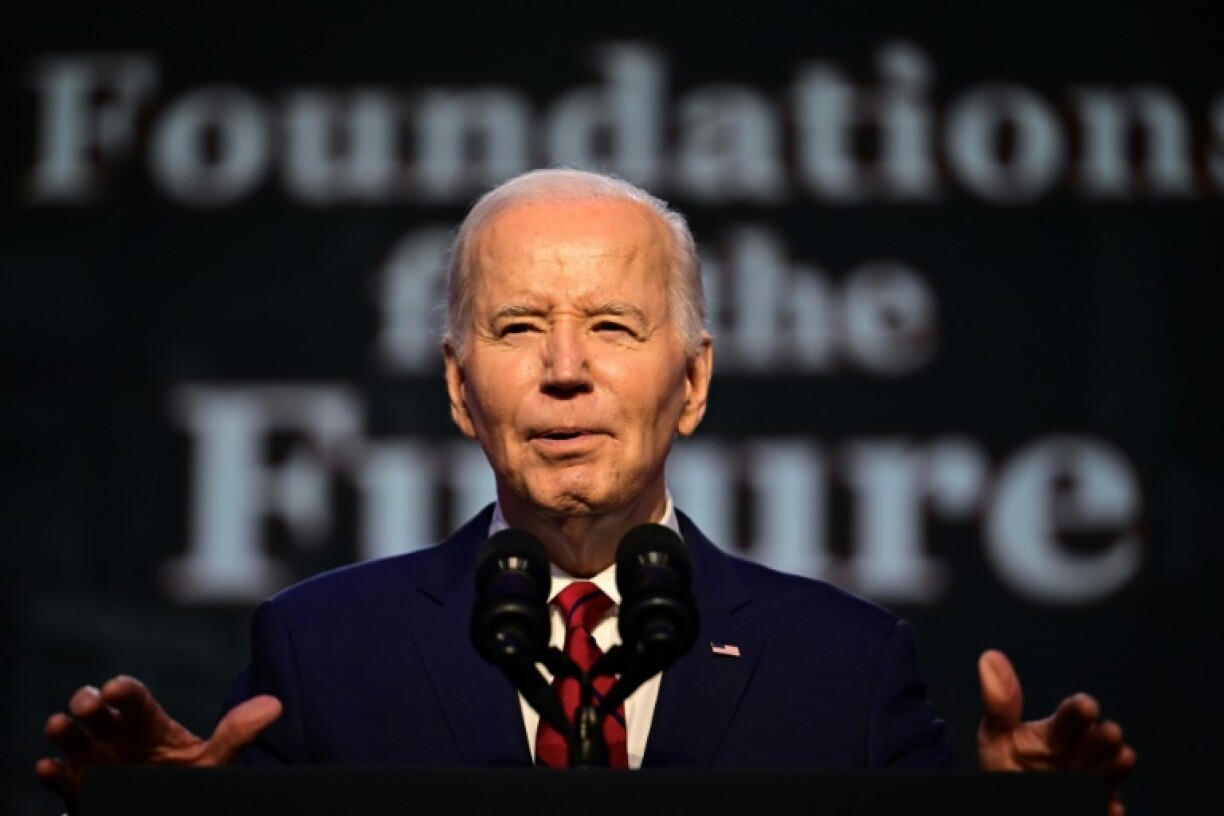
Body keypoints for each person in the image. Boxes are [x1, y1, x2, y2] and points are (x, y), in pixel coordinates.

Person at [35, 168, 1136, 814]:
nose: (566, 369)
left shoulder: (845, 667)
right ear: (460, 391)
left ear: (692, 383)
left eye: (612, 325)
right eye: (520, 327)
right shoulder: (321, 650)